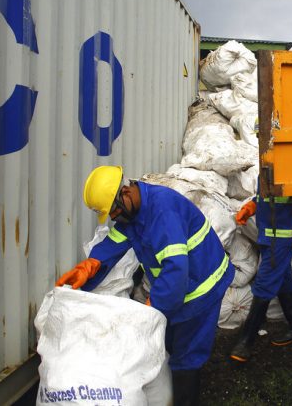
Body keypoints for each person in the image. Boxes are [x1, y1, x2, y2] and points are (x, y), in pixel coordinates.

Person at [56, 165, 235, 406]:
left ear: (126, 193)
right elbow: (114, 243)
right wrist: (90, 266)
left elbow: (175, 269)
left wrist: (153, 307)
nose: (113, 217)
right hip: (183, 285)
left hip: (203, 288)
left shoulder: (163, 212)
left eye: (114, 211)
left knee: (186, 356)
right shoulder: (133, 214)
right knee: (169, 343)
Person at [229, 184, 292, 362]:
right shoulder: (266, 169)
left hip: (281, 238)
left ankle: (245, 341)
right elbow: (264, 197)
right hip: (267, 236)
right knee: (283, 280)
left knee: (264, 284)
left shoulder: (291, 168)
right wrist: (251, 207)